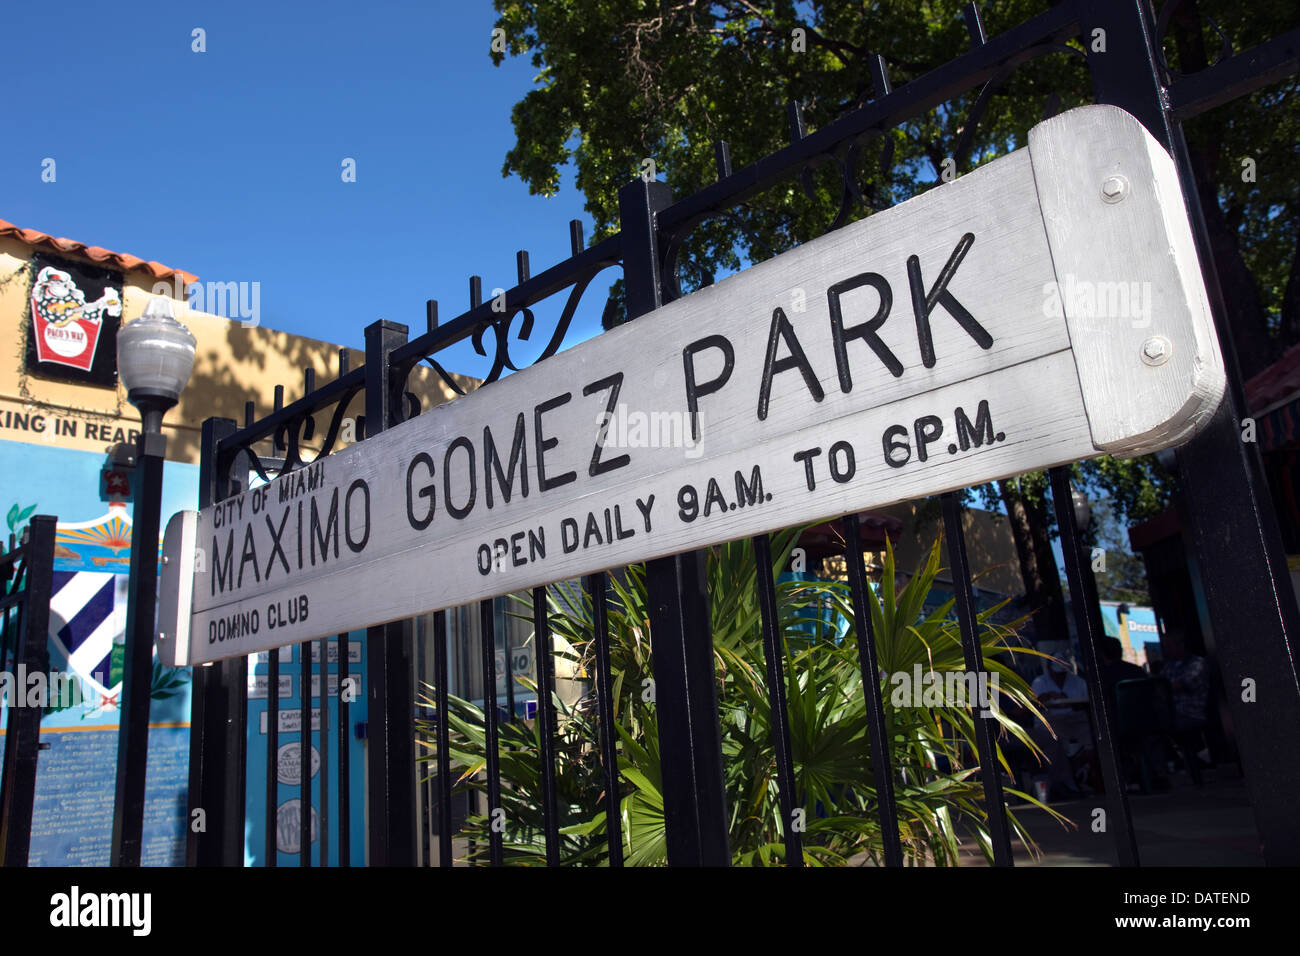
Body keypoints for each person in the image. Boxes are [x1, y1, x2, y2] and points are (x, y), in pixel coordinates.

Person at [1029, 658, 1093, 800]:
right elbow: (1032, 706)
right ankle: (1065, 783)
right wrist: (1046, 697)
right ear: (1049, 669)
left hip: (1076, 719)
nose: (1060, 676)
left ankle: (1087, 778)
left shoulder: (1077, 681)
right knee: (1053, 740)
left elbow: (1086, 702)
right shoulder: (1040, 682)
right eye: (1056, 673)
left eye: (1062, 673)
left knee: (1089, 739)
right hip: (1053, 721)